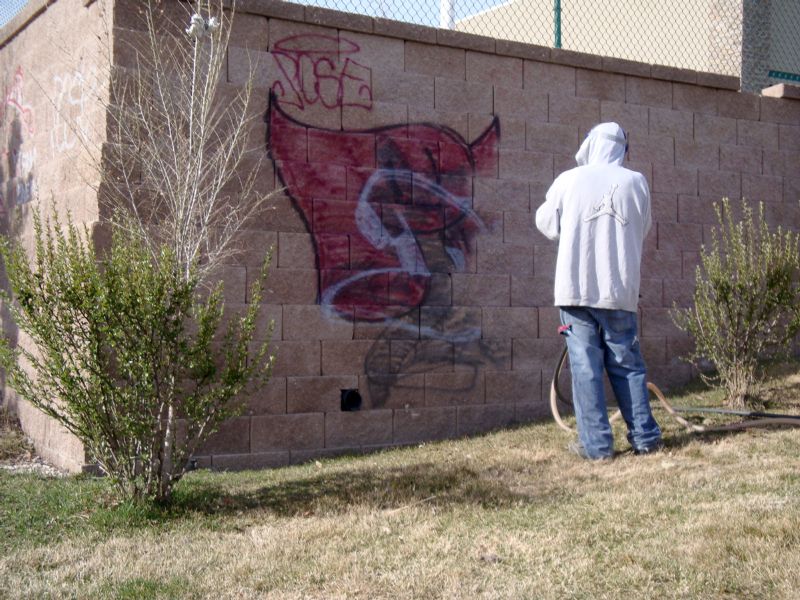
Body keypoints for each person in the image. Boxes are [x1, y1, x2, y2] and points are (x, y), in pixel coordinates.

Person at [535, 122, 662, 460]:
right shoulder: (636, 182)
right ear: (622, 148)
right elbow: (643, 227)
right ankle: (646, 439)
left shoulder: (568, 179)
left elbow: (546, 223)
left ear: (590, 144)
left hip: (575, 290)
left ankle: (597, 447)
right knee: (627, 365)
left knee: (585, 368)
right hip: (619, 290)